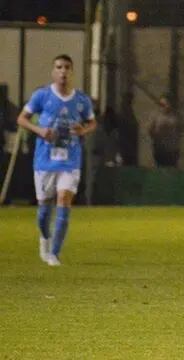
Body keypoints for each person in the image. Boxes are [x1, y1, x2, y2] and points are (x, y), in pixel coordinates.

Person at [17, 54, 96, 266]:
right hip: (45, 160)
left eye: (67, 67)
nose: (63, 71)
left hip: (70, 160)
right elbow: (21, 118)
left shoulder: (81, 100)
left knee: (64, 201)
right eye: (59, 67)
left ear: (72, 72)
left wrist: (83, 130)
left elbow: (92, 122)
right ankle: (44, 238)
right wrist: (40, 130)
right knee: (43, 211)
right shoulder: (42, 96)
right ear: (53, 72)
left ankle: (54, 253)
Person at [148, 95, 179, 167]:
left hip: (172, 150)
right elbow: (150, 130)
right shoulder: (156, 116)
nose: (163, 107)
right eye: (161, 105)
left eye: (165, 104)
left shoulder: (174, 116)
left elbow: (179, 130)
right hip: (160, 150)